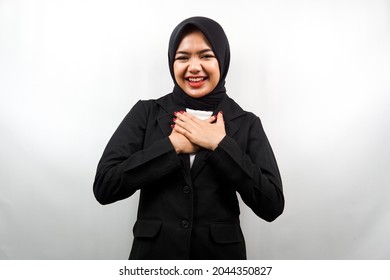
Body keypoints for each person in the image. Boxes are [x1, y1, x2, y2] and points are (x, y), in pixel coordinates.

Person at [93, 16, 284, 260]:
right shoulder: (146, 113)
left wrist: (220, 146)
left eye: (206, 56)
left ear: (222, 61)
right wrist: (172, 147)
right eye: (183, 57)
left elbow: (272, 204)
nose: (194, 67)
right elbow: (105, 186)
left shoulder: (246, 123)